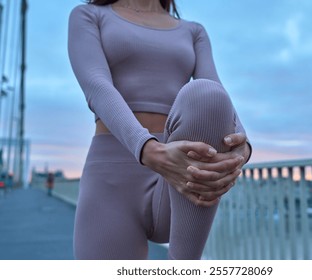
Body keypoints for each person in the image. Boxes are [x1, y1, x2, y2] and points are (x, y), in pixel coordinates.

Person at [68, 0, 252, 260]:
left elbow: (216, 89)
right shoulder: (89, 15)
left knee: (206, 94)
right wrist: (149, 150)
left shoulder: (193, 31)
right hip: (112, 177)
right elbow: (97, 86)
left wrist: (243, 147)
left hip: (182, 171)